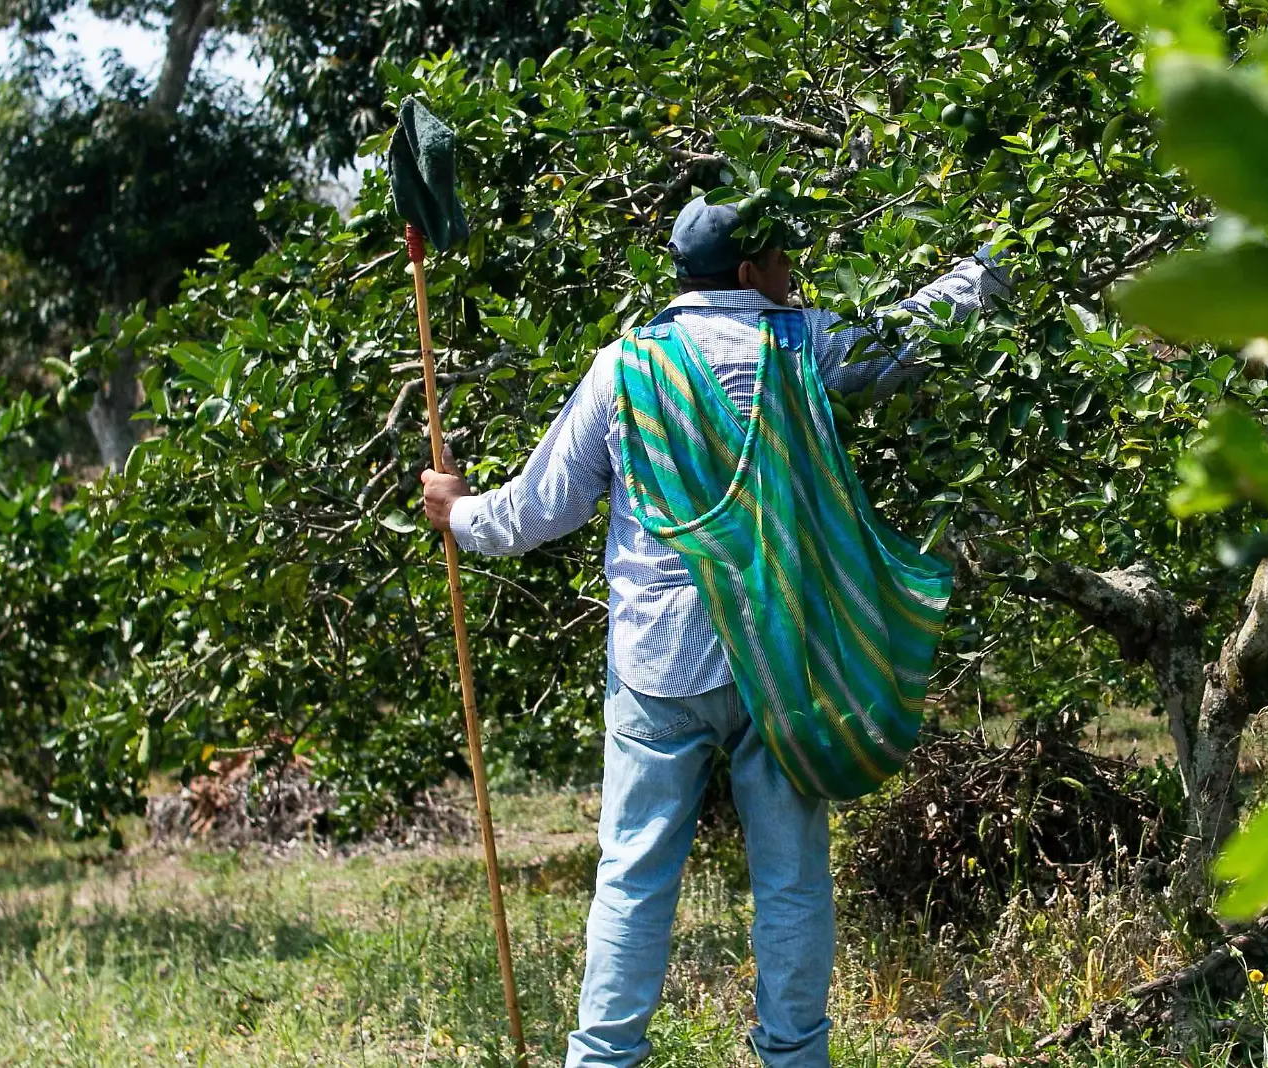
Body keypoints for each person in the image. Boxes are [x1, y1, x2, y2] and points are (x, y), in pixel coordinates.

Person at [419, 195, 1011, 1068]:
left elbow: (540, 510)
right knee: (792, 879)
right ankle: (794, 1056)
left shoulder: (623, 367)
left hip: (660, 667)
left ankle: (604, 1059)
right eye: (782, 263)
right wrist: (994, 267)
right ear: (748, 273)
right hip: (777, 659)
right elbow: (909, 335)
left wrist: (459, 511)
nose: (794, 276)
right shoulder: (801, 341)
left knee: (633, 877)